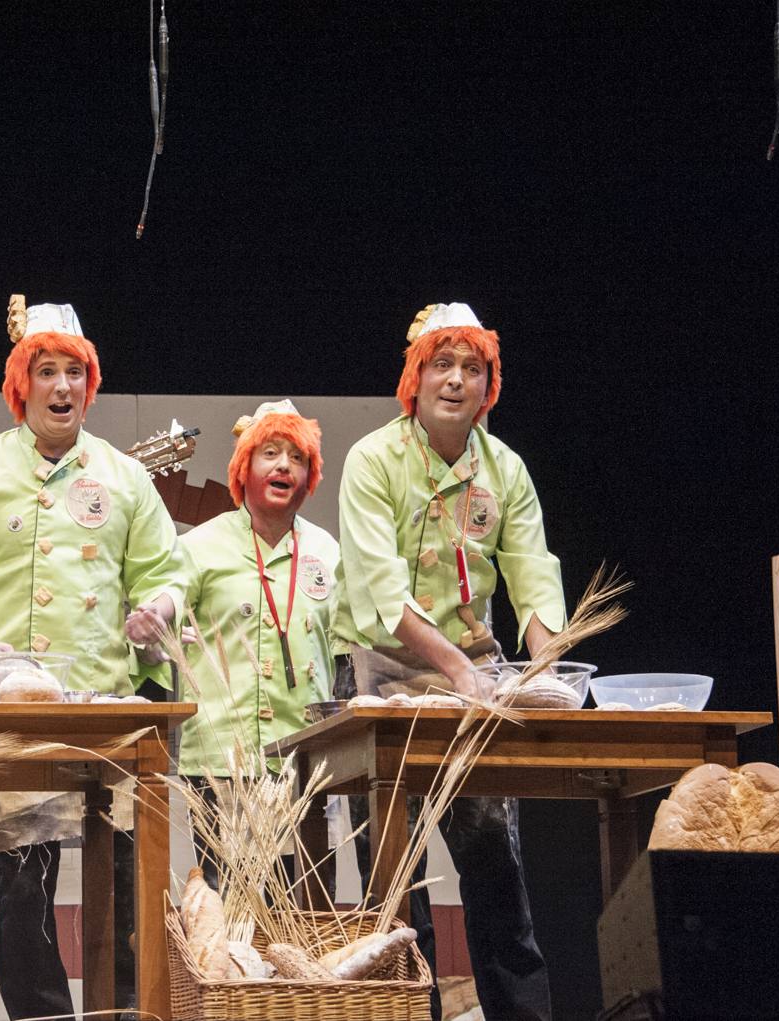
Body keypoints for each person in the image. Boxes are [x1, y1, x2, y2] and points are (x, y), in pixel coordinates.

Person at [0, 296, 184, 1018]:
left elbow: (165, 573)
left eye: (74, 371)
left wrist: (153, 612)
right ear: (21, 383)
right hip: (11, 712)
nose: (62, 386)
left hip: (106, 716)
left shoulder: (124, 477)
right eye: (47, 371)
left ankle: (123, 1012)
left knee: (125, 889)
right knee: (23, 893)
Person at [335, 302, 566, 1021]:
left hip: (475, 674)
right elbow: (379, 593)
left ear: (487, 384)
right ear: (415, 377)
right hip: (380, 675)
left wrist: (547, 669)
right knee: (394, 887)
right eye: (443, 364)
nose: (456, 380)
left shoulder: (505, 469)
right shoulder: (373, 459)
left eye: (472, 367)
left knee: (497, 874)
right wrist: (456, 671)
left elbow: (532, 574)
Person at [138, 400, 339, 891]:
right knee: (233, 910)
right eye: (269, 453)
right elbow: (164, 608)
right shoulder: (199, 547)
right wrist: (151, 627)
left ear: (309, 476)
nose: (283, 466)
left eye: (297, 457)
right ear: (243, 469)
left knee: (309, 903)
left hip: (307, 761)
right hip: (222, 762)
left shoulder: (328, 552)